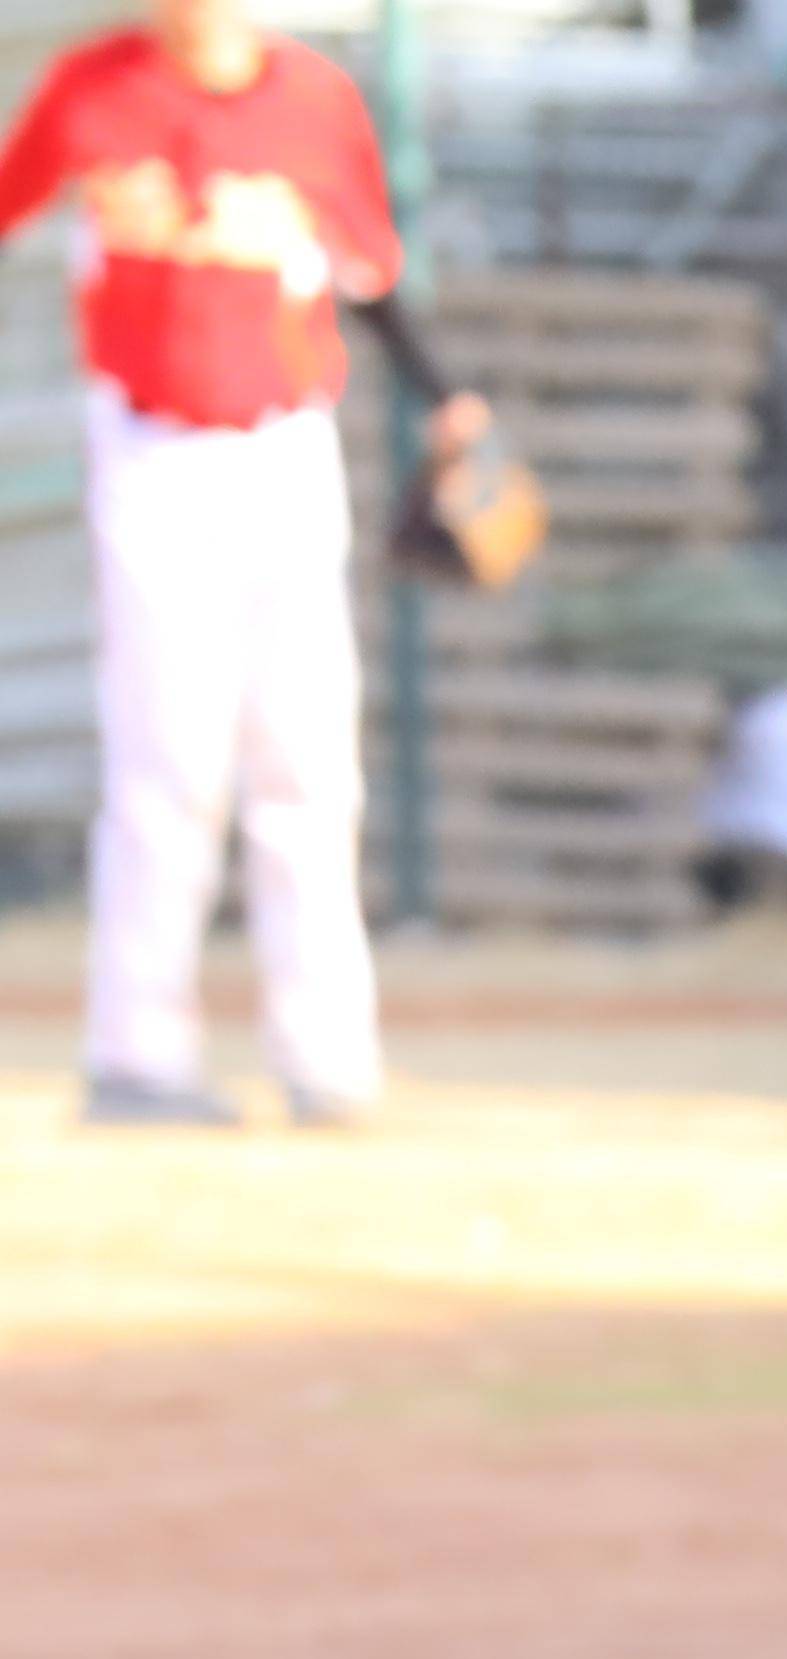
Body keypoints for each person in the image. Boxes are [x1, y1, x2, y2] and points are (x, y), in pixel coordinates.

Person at [0, 0, 489, 1128]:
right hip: (149, 447)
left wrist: (448, 397)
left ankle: (327, 1060)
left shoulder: (314, 98)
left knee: (309, 761)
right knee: (166, 765)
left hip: (283, 448)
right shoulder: (95, 90)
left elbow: (368, 281)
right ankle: (135, 1056)